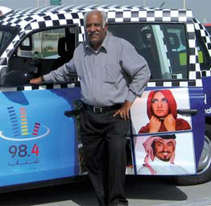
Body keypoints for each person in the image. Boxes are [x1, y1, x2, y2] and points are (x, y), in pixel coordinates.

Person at [30, 9, 150, 206]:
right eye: (89, 26)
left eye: (96, 25)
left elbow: (143, 72)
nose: (92, 29)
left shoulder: (120, 47)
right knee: (94, 165)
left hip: (115, 116)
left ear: (105, 27)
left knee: (115, 163)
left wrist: (129, 101)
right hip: (90, 117)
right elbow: (65, 71)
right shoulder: (80, 51)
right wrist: (42, 79)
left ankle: (117, 202)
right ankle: (104, 202)